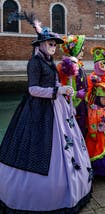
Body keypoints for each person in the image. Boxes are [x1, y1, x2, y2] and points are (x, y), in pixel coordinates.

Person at [0, 13, 92, 213]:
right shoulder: (34, 63)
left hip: (55, 107)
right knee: (38, 150)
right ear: (40, 45)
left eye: (54, 45)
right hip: (37, 111)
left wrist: (64, 89)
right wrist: (57, 91)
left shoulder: (48, 62)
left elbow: (53, 82)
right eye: (50, 44)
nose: (53, 48)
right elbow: (33, 89)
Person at [58, 35, 88, 137]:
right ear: (76, 50)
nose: (83, 53)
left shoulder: (79, 65)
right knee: (75, 132)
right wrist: (76, 94)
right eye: (81, 50)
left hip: (82, 104)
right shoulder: (68, 65)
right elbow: (64, 88)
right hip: (73, 106)